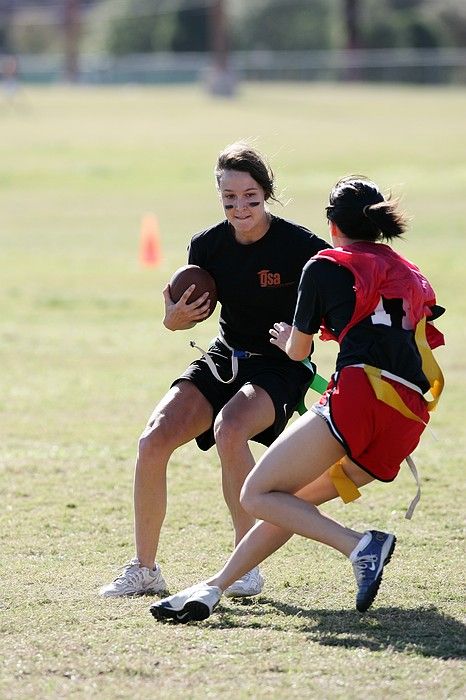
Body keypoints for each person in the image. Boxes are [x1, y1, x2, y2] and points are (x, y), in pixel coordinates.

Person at [149, 175, 445, 623]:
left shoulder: (324, 264)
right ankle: (213, 587)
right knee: (289, 503)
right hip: (408, 415)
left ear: (332, 224)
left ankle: (360, 546)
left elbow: (300, 351)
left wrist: (290, 336)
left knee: (257, 493)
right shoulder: (408, 269)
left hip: (361, 396)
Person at [100, 142, 330, 598]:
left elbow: (337, 309)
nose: (240, 207)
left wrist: (302, 337)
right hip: (225, 356)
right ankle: (144, 570)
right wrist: (172, 320)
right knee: (153, 439)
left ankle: (244, 566)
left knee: (231, 429)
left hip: (280, 364)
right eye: (229, 198)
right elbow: (180, 315)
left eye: (250, 197)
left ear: (266, 193)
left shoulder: (302, 247)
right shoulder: (206, 246)